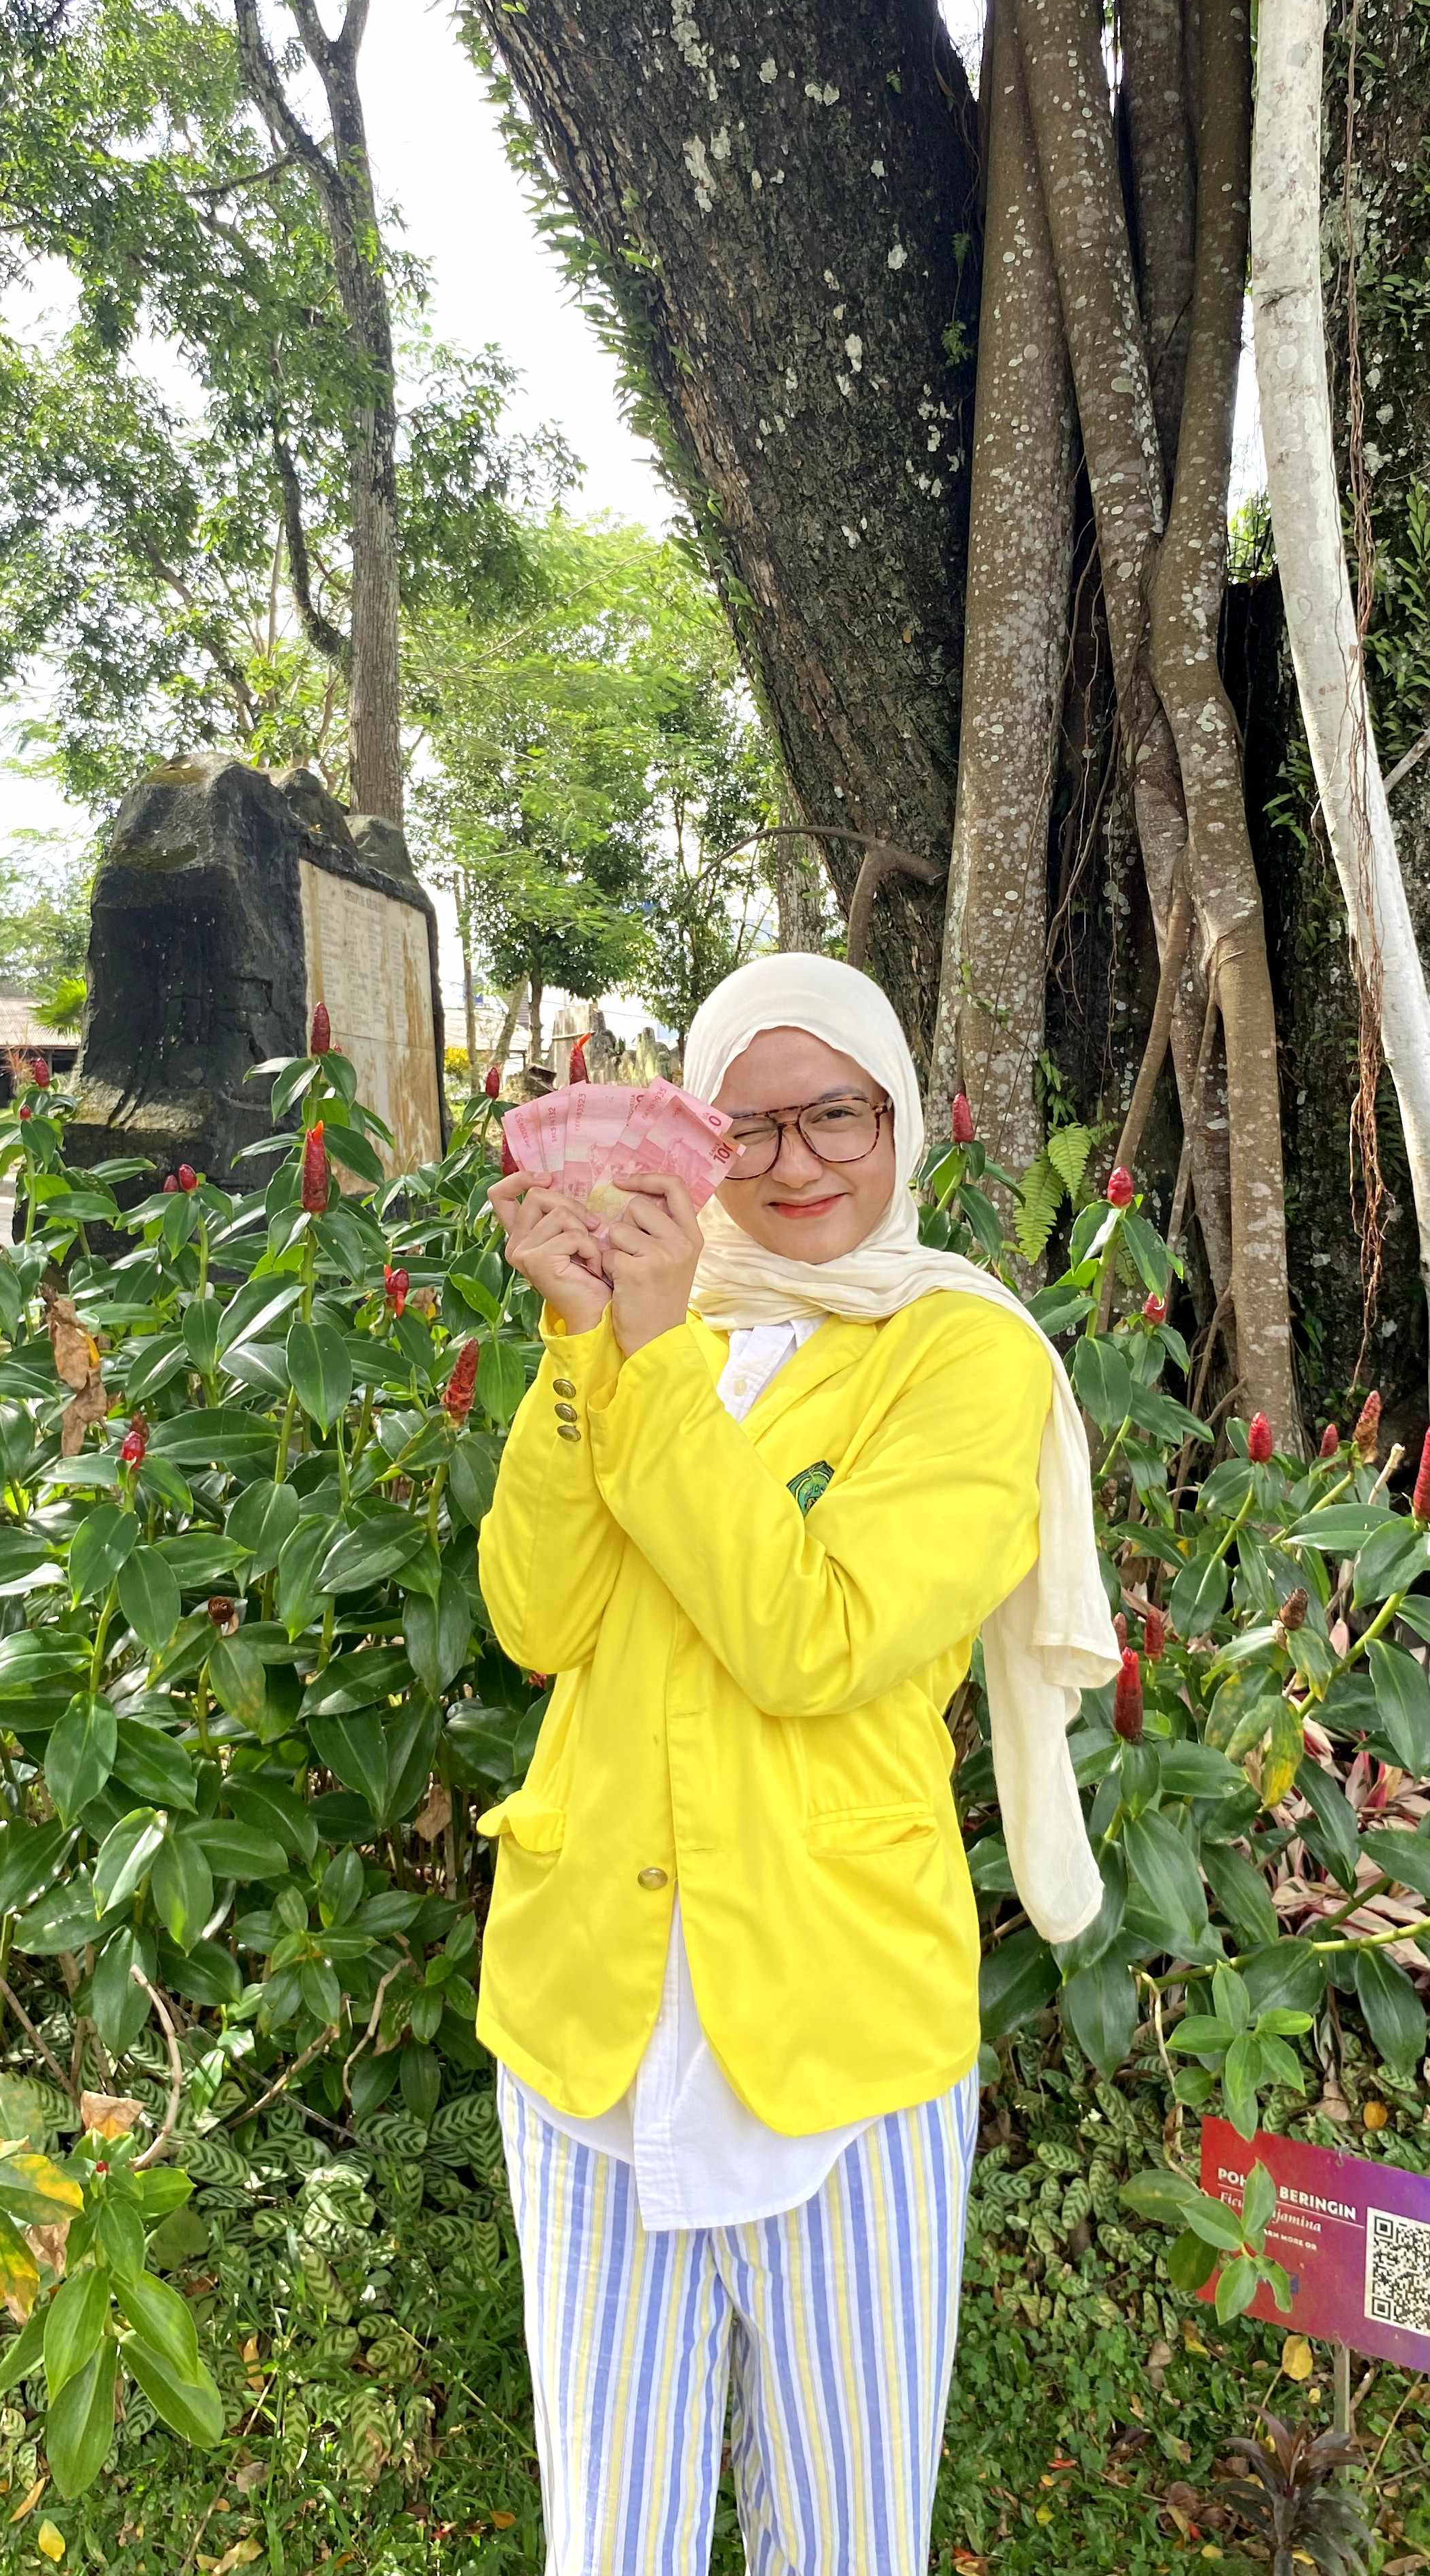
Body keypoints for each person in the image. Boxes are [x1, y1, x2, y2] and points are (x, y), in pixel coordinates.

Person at [476, 953, 1119, 2575]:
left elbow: (816, 1641)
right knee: (609, 2545)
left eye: (838, 1113)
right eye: (746, 1128)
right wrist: (580, 1343)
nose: (797, 1161)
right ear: (695, 1142)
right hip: (591, 2034)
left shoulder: (962, 1357)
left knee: (844, 2541)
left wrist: (652, 1356)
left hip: (842, 2045)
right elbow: (537, 1620)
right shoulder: (649, 1322)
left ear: (898, 1117)